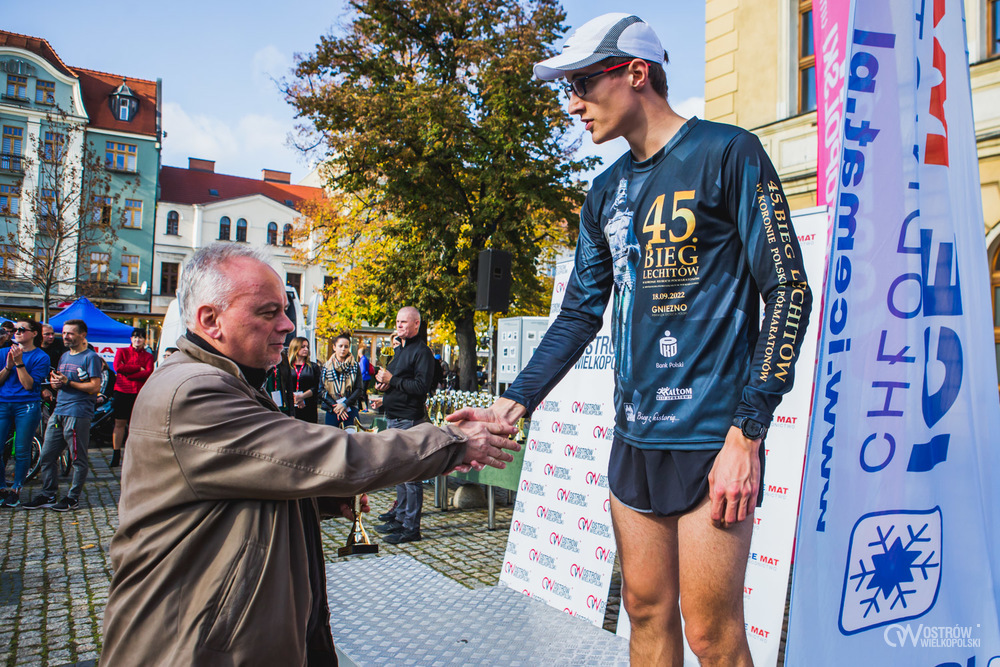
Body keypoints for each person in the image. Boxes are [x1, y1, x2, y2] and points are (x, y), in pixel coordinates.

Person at [451, 14, 812, 666]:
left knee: (711, 633)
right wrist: (514, 402)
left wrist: (747, 433)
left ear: (636, 74)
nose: (573, 102)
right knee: (644, 613)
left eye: (585, 82)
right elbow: (578, 315)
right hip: (635, 440)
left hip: (712, 440)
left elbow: (788, 289)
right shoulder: (604, 192)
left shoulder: (729, 154)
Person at [99, 243, 517, 666]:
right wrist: (452, 440)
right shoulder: (192, 391)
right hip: (188, 648)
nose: (287, 325)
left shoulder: (228, 380)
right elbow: (321, 455)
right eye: (268, 312)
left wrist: (318, 500)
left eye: (285, 310)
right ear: (211, 320)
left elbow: (239, 492)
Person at [372, 306, 436, 545]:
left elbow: (421, 388)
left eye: (404, 322)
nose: (399, 325)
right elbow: (398, 383)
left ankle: (411, 527)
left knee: (411, 476)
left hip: (409, 418)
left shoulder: (422, 353)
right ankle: (399, 519)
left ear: (416, 324)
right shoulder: (400, 350)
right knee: (398, 472)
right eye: (397, 321)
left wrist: (392, 380)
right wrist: (385, 388)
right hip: (393, 414)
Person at [23, 319, 103, 512]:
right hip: (59, 410)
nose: (65, 336)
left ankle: (72, 498)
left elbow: (95, 387)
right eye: (64, 333)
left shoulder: (90, 357)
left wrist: (68, 383)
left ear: (82, 335)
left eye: (70, 333)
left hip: (78, 413)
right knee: (47, 455)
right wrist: (55, 383)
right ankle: (48, 494)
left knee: (78, 458)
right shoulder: (65, 355)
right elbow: (61, 380)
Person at [0, 320, 50, 508]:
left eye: (22, 329)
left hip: (26, 406)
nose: (17, 332)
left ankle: (16, 489)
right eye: (15, 330)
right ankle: (2, 488)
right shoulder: (3, 353)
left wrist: (19, 364)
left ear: (34, 333)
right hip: (3, 404)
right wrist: (8, 367)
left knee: (22, 449)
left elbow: (29, 385)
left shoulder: (41, 357)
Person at [110, 328, 154, 467]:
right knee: (119, 423)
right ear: (131, 339)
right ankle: (116, 454)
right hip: (122, 391)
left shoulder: (148, 356)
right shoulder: (122, 352)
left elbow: (148, 372)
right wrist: (137, 368)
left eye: (140, 338)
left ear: (144, 340)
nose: (137, 340)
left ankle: (134, 455)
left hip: (138, 393)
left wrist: (129, 373)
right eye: (135, 337)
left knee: (136, 426)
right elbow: (117, 367)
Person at [320, 333, 364, 428]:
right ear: (334, 347)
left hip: (350, 409)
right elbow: (321, 390)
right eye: (340, 346)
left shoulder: (355, 366)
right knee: (333, 440)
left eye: (346, 346)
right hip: (332, 409)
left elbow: (359, 389)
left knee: (352, 438)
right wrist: (336, 406)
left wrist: (345, 404)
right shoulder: (326, 367)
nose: (343, 349)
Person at [287, 336, 321, 423]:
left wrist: (302, 396)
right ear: (295, 347)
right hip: (290, 405)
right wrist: (295, 398)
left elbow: (317, 386)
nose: (306, 349)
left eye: (307, 347)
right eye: (302, 347)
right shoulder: (286, 366)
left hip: (308, 405)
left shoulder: (313, 367)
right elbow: (284, 385)